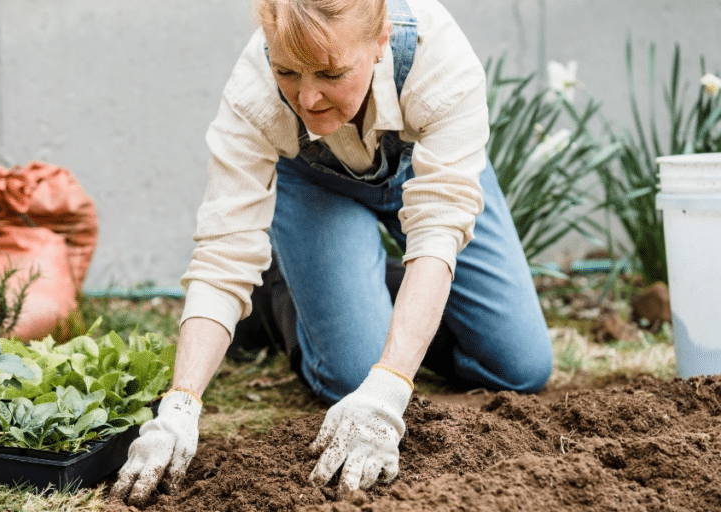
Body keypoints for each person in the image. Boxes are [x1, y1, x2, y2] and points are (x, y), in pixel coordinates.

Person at [111, 0, 553, 504]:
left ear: (380, 39)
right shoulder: (253, 95)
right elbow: (224, 254)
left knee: (520, 368)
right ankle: (283, 295)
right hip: (314, 184)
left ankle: (343, 284)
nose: (309, 97)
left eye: (331, 72)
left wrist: (389, 391)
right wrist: (180, 406)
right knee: (351, 375)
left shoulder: (438, 59)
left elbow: (437, 234)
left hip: (425, 175)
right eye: (287, 71)